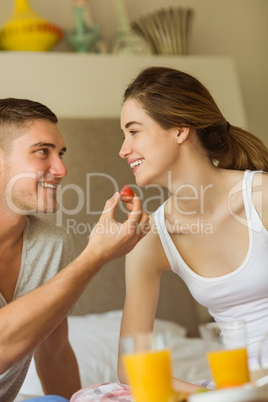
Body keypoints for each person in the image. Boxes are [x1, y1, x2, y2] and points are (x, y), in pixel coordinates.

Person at [117, 66, 268, 393]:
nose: (123, 149)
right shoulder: (151, 239)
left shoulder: (262, 198)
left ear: (180, 130)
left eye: (133, 131)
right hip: (239, 390)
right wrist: (212, 396)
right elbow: (133, 369)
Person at [0, 98, 150, 402]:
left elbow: (54, 355)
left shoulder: (51, 244)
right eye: (43, 151)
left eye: (61, 153)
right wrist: (94, 256)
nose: (61, 169)